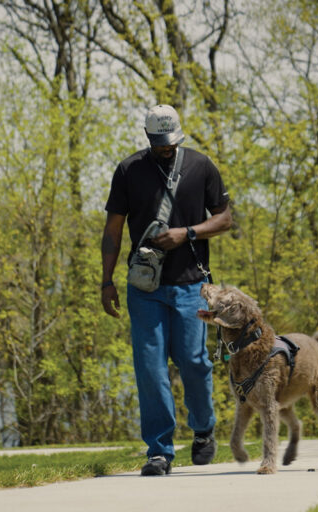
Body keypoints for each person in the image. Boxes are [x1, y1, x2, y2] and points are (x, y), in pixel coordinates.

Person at [100, 104, 233, 476]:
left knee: (193, 362)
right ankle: (159, 451)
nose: (166, 148)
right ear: (148, 138)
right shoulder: (129, 171)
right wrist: (107, 280)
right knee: (150, 368)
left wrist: (187, 233)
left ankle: (204, 430)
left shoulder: (200, 165)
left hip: (191, 284)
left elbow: (224, 218)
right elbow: (112, 231)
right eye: (159, 143)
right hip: (145, 287)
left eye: (171, 142)